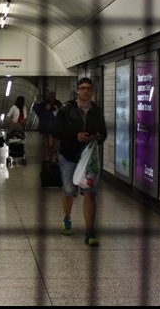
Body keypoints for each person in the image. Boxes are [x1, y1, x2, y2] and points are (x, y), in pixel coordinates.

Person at [52, 77, 107, 245]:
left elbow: (104, 132)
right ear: (77, 90)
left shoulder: (97, 111)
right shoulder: (65, 110)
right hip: (69, 156)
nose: (85, 91)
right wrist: (75, 136)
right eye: (82, 88)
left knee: (90, 193)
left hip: (89, 159)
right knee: (69, 190)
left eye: (88, 88)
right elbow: (56, 131)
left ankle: (89, 232)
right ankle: (67, 218)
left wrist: (98, 137)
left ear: (92, 91)